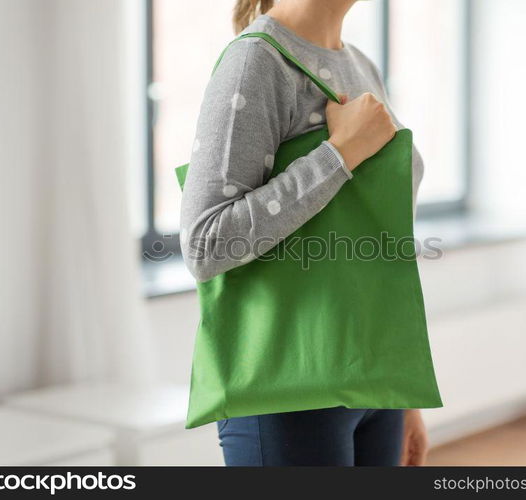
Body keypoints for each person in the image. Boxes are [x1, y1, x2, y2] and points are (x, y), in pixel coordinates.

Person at [180, 0, 428, 466]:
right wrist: (339, 154)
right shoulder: (255, 61)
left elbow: (383, 236)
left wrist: (403, 392)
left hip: (374, 376)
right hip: (286, 392)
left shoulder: (360, 65)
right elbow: (205, 243)